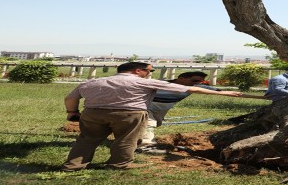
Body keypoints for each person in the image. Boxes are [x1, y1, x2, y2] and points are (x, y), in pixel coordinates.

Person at [61, 62, 242, 171]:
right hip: (129, 114)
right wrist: (225, 93)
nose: (150, 73)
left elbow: (70, 98)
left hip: (92, 113)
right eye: (149, 70)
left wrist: (72, 113)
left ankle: (73, 166)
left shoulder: (93, 81)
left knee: (86, 140)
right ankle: (118, 165)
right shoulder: (143, 82)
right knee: (126, 140)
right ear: (137, 71)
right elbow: (189, 88)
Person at [138, 71, 221, 153]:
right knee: (149, 124)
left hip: (161, 109)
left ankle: (132, 140)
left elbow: (218, 91)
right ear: (181, 79)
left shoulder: (194, 87)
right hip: (145, 107)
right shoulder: (161, 85)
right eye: (194, 81)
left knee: (156, 123)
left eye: (200, 82)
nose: (196, 84)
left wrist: (229, 93)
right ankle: (146, 147)